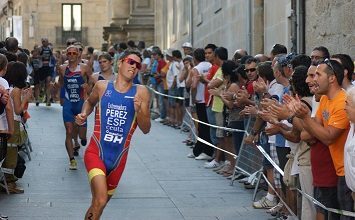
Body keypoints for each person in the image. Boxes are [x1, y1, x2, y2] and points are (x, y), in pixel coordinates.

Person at [75, 50, 151, 219]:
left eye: (138, 65)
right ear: (120, 62)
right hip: (96, 152)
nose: (134, 67)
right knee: (100, 200)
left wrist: (140, 111)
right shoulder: (103, 86)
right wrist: (83, 114)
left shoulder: (141, 92)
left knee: (98, 204)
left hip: (118, 160)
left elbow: (146, 128)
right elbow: (89, 101)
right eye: (131, 62)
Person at [58, 45, 92, 169]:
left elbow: (92, 82)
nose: (71, 55)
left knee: (82, 135)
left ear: (78, 55)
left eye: (74, 53)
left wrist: (88, 88)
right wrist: (59, 93)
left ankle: (82, 138)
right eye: (69, 53)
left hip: (81, 103)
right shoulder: (62, 68)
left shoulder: (84, 68)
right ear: (66, 55)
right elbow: (61, 83)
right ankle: (72, 160)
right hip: (68, 103)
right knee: (69, 131)